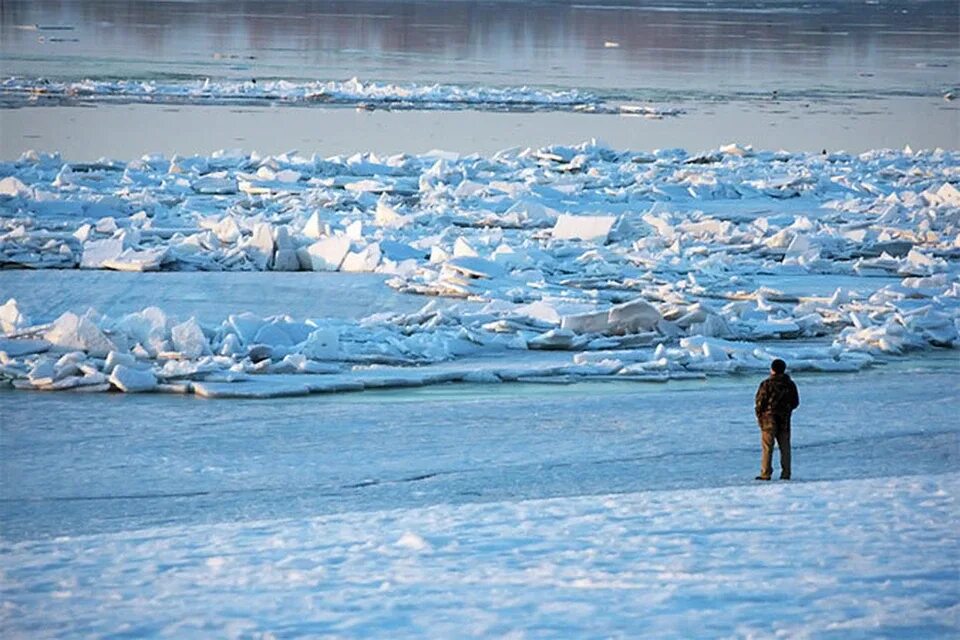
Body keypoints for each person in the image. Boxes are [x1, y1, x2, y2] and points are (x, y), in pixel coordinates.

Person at [754, 359, 800, 480]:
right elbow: (795, 402)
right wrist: (786, 409)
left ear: (772, 369)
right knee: (785, 448)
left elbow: (759, 403)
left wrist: (760, 417)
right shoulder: (790, 384)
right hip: (784, 420)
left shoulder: (766, 384)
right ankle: (786, 473)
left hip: (768, 420)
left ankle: (766, 473)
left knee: (767, 448)